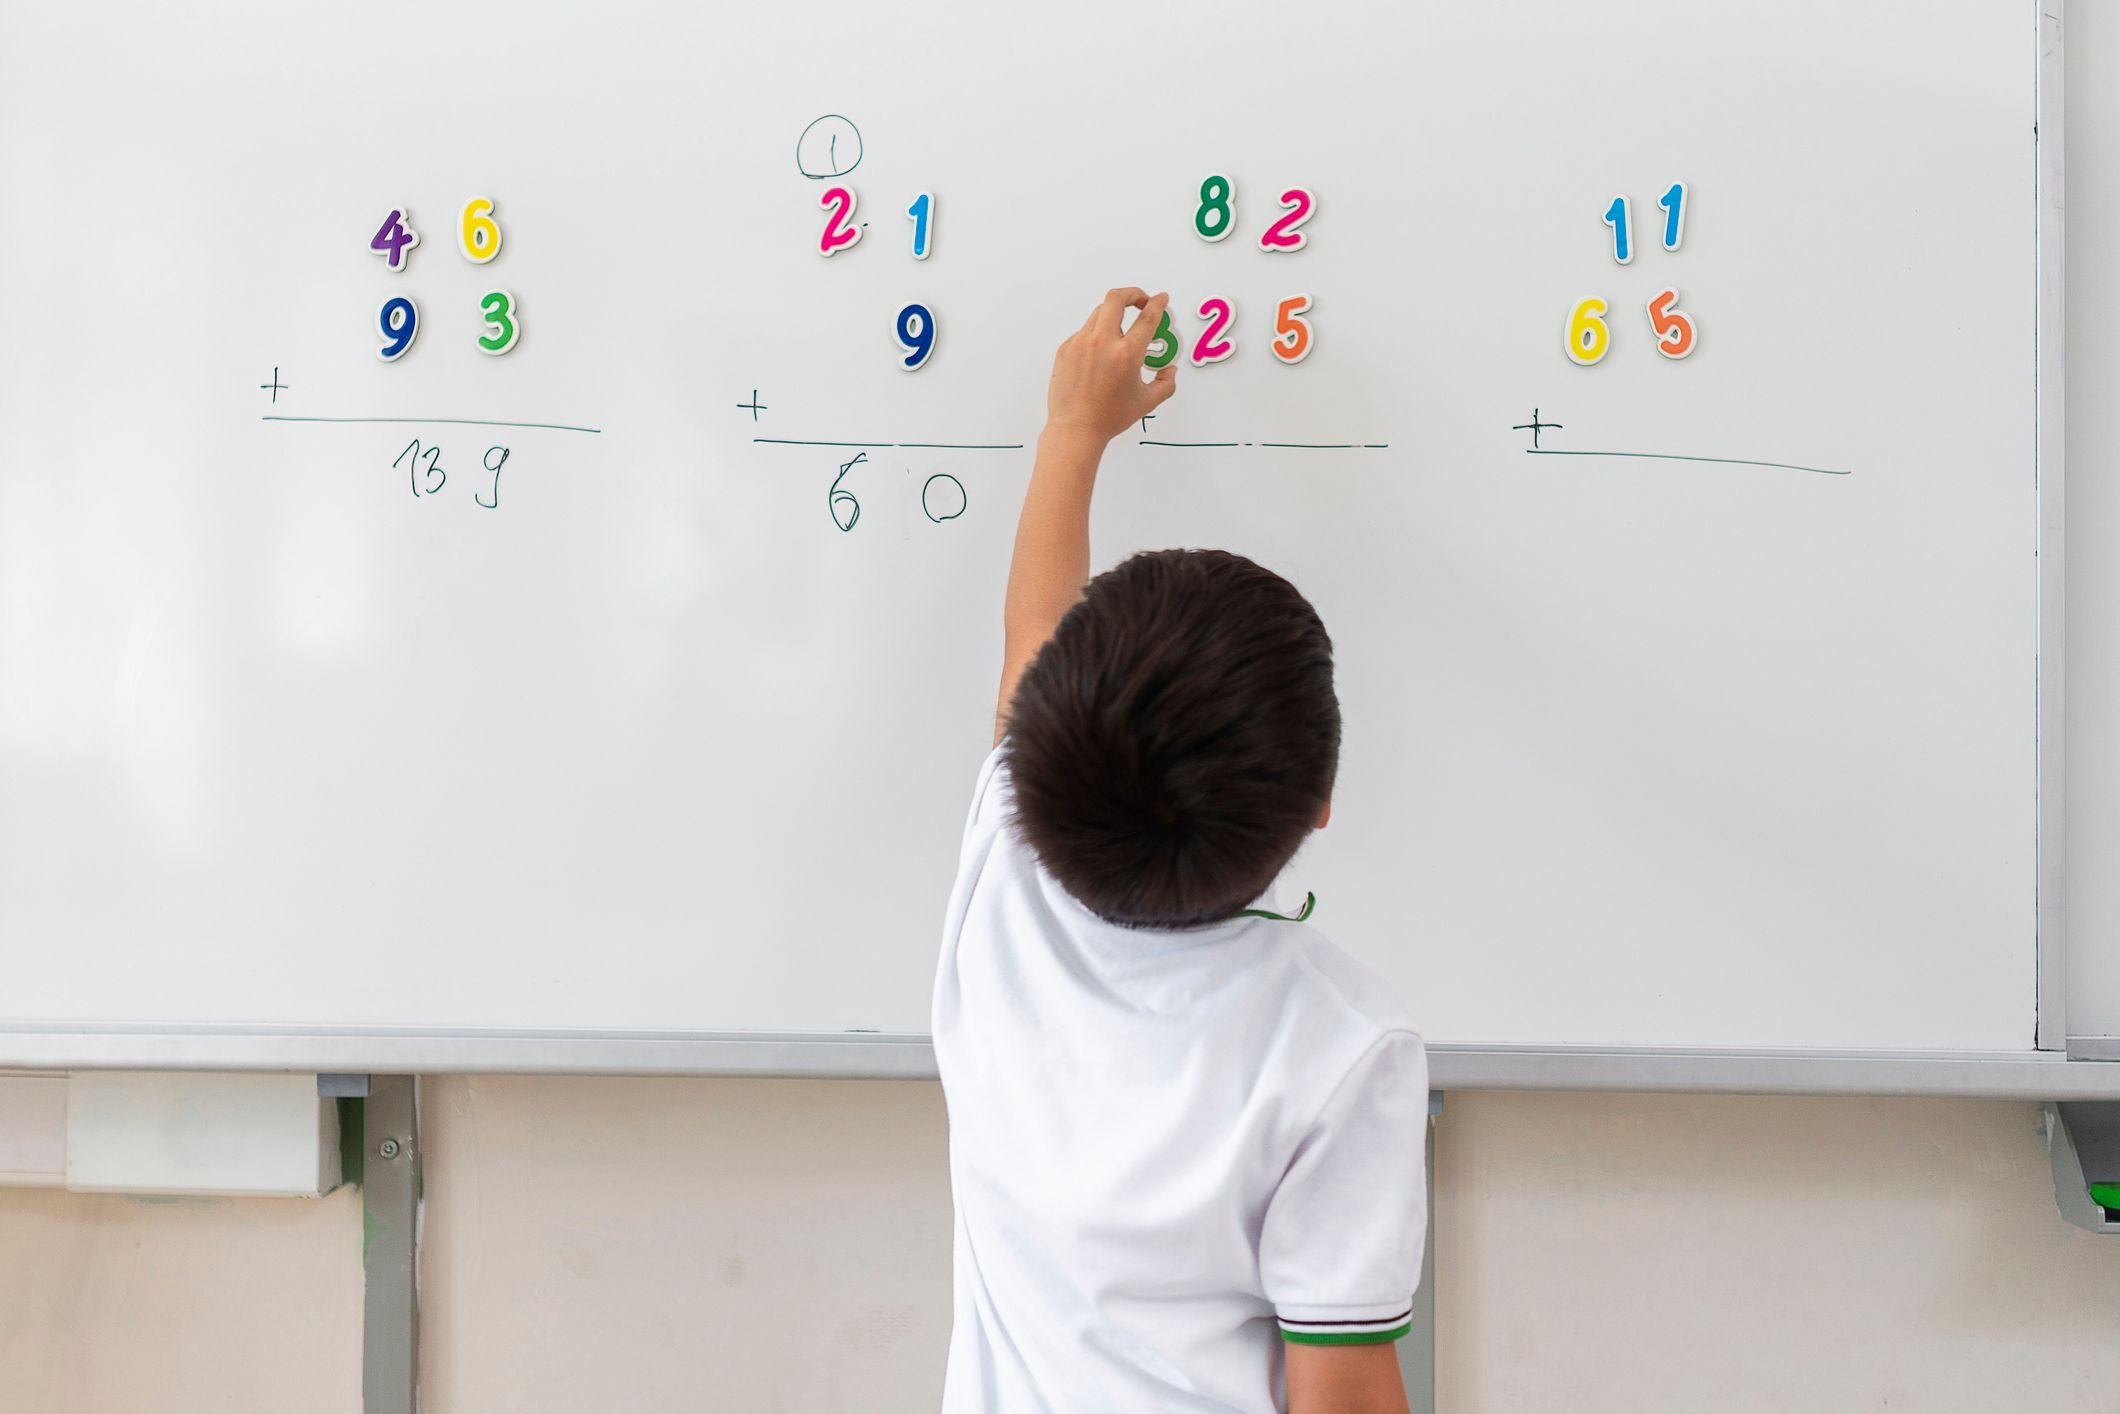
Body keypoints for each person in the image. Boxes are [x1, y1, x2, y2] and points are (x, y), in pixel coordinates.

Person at [934, 289, 1429, 1412]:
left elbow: (1031, 637)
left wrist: (1071, 430)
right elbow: (1340, 1387)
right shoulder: (1341, 1046)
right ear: (1321, 809)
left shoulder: (1004, 899)